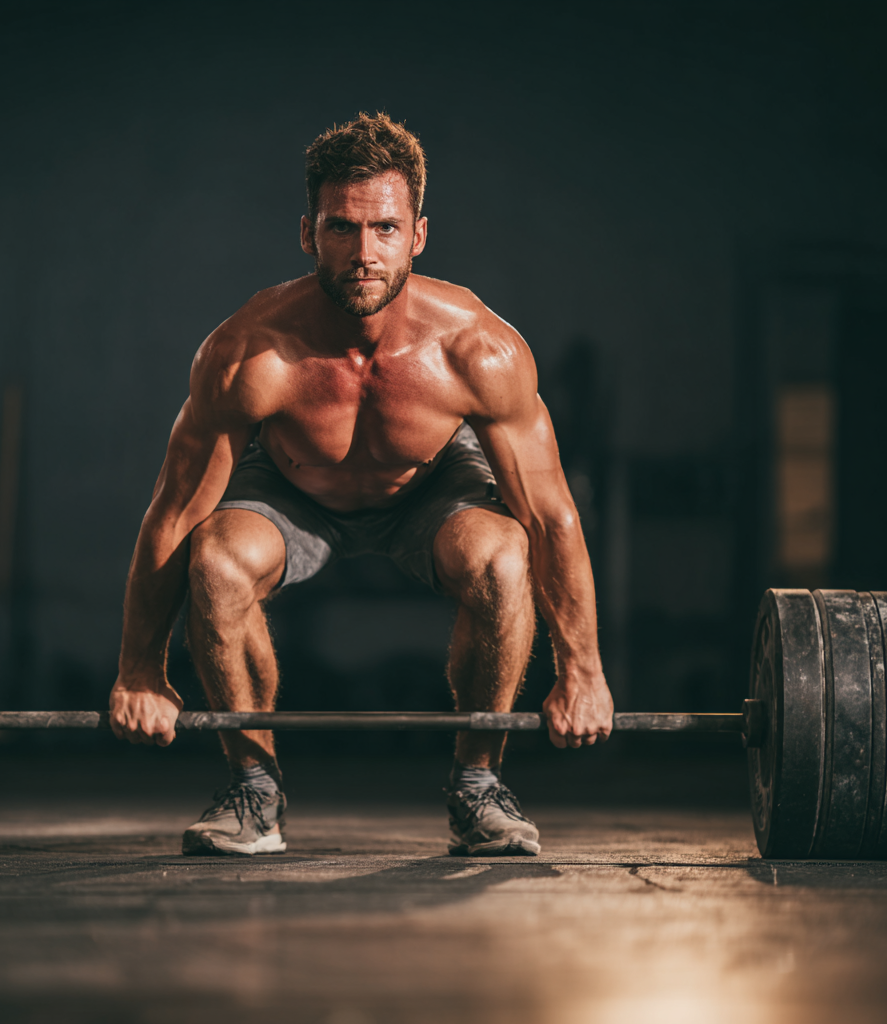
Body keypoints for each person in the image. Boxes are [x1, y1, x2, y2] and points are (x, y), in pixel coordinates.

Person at [109, 112, 614, 857]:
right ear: (309, 233)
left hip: (431, 488)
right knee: (214, 560)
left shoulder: (478, 349)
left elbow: (553, 518)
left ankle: (479, 788)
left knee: (504, 557)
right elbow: (173, 514)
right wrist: (140, 670)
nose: (363, 252)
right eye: (342, 228)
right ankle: (254, 790)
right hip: (290, 486)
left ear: (418, 235)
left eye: (383, 228)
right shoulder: (249, 352)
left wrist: (584, 673)